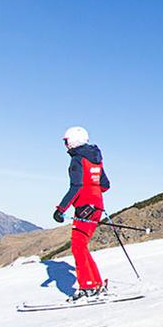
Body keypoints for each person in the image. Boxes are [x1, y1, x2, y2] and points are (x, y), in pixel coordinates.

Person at [54, 126, 110, 301]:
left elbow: (76, 186)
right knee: (82, 246)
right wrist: (93, 193)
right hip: (97, 206)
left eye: (66, 141)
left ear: (73, 141)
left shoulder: (78, 160)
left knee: (78, 246)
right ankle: (96, 284)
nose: (65, 145)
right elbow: (105, 185)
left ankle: (88, 287)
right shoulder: (96, 159)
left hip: (85, 207)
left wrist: (61, 209)